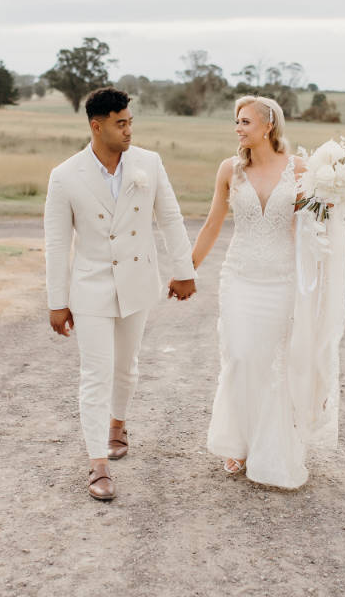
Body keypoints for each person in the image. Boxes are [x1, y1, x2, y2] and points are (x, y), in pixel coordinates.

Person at [43, 87, 196, 501]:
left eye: (130, 122)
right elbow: (58, 244)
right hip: (90, 286)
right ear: (97, 126)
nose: (129, 130)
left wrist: (183, 270)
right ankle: (97, 465)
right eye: (120, 123)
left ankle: (117, 424)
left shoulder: (149, 163)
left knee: (126, 368)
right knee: (96, 373)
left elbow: (170, 217)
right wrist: (57, 301)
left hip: (137, 281)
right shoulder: (65, 175)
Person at [190, 95, 313, 488]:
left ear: (267, 127)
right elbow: (212, 224)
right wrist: (185, 268)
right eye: (236, 122)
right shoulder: (230, 170)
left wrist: (332, 201)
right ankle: (236, 442)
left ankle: (268, 447)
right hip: (239, 275)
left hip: (280, 279)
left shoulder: (300, 170)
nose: (238, 128)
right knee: (241, 356)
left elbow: (315, 223)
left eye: (244, 121)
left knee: (270, 361)